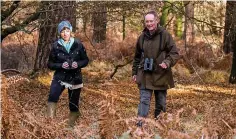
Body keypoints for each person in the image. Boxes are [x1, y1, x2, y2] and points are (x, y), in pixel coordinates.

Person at [132, 11, 180, 127]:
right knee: (144, 101)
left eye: (151, 21)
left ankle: (160, 127)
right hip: (145, 74)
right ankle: (140, 127)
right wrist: (134, 72)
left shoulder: (165, 35)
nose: (149, 24)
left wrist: (167, 62)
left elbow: (174, 53)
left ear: (157, 21)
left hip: (161, 74)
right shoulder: (142, 37)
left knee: (161, 103)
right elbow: (137, 57)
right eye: (147, 21)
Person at [47, 20, 89, 128]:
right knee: (52, 96)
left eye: (67, 30)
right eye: (62, 31)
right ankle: (49, 126)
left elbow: (86, 60)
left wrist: (77, 64)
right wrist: (60, 65)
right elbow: (50, 64)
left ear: (70, 31)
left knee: (73, 105)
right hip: (60, 77)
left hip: (75, 78)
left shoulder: (78, 44)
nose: (65, 33)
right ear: (59, 33)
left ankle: (71, 126)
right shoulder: (55, 46)